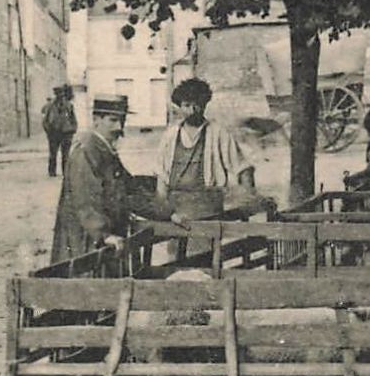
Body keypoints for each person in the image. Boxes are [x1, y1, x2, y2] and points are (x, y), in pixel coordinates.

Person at [153, 79, 263, 219]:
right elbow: (161, 178)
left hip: (208, 210)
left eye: (197, 105)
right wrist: (163, 210)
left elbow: (243, 168)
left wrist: (247, 203)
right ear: (179, 106)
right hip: (176, 212)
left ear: (204, 104)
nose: (192, 111)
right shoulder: (170, 136)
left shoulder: (219, 133)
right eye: (186, 105)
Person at [51, 95, 137, 263]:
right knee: (87, 282)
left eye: (122, 120)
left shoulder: (105, 151)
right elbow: (84, 199)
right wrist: (102, 233)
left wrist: (167, 212)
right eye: (113, 120)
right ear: (96, 120)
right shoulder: (86, 151)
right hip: (86, 236)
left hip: (107, 236)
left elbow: (129, 188)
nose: (119, 127)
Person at [42, 85, 78, 178]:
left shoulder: (69, 105)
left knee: (66, 154)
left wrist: (73, 129)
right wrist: (48, 131)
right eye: (58, 94)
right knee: (53, 154)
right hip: (54, 133)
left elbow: (73, 118)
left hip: (66, 133)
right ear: (55, 95)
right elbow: (45, 120)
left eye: (62, 94)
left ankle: (65, 172)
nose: (60, 97)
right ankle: (52, 172)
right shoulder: (50, 106)